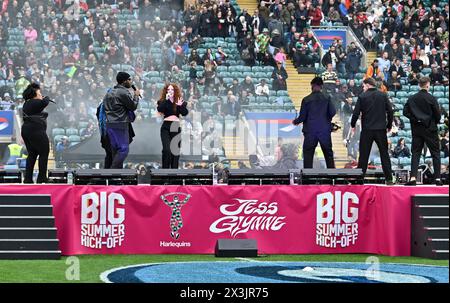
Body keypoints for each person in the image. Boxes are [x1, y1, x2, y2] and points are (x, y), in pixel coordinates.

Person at [351, 77, 394, 185]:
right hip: (381, 129)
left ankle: (360, 179)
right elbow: (390, 111)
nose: (363, 88)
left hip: (367, 129)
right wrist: (389, 125)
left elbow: (356, 113)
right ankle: (389, 179)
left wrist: (353, 125)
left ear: (368, 85)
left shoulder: (362, 96)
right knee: (384, 154)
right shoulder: (383, 95)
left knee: (364, 155)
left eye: (363, 86)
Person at [404, 77, 442, 186]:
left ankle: (413, 178)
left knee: (415, 153)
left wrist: (415, 119)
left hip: (417, 129)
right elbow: (438, 115)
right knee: (435, 153)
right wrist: (432, 121)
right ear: (428, 85)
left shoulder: (412, 98)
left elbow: (405, 112)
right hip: (430, 129)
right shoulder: (431, 98)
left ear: (419, 85)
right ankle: (438, 178)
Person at [292, 77, 336, 168]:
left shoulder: (306, 100)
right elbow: (332, 112)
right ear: (321, 86)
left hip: (310, 132)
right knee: (328, 154)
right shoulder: (327, 98)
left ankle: (307, 178)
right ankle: (332, 177)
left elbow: (302, 117)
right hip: (324, 131)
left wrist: (295, 121)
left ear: (311, 86)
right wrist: (326, 119)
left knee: (308, 155)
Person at [102, 72, 140, 169]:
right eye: (129, 79)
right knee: (123, 150)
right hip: (120, 124)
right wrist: (136, 95)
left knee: (115, 151)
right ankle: (111, 172)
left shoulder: (108, 93)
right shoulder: (123, 92)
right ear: (124, 81)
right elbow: (133, 106)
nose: (131, 82)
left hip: (110, 125)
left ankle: (116, 178)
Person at [20, 83, 51, 183]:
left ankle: (28, 178)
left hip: (27, 130)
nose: (40, 94)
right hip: (36, 129)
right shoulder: (34, 102)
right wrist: (46, 98)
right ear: (34, 93)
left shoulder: (27, 103)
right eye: (39, 92)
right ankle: (42, 177)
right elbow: (44, 102)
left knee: (32, 154)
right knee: (44, 152)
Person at [157, 83, 188, 169]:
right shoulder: (162, 101)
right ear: (166, 91)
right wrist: (166, 100)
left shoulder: (180, 101)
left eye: (172, 90)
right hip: (166, 126)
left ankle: (174, 173)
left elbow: (185, 113)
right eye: (168, 90)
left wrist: (180, 106)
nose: (170, 91)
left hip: (175, 126)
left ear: (175, 91)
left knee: (175, 151)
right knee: (166, 150)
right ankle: (165, 171)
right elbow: (160, 109)